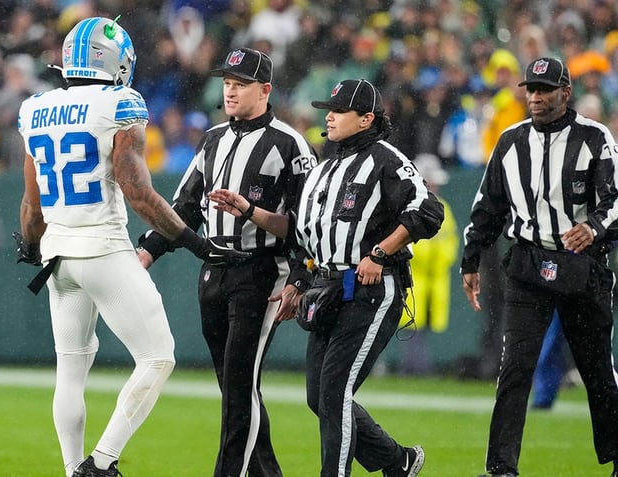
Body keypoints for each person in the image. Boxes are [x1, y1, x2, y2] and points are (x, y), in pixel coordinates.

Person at [14, 17, 249, 477]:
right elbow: (136, 189)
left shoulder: (35, 107)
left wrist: (31, 243)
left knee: (71, 370)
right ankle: (99, 464)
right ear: (116, 61)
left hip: (58, 255)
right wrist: (193, 241)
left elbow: (31, 201)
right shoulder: (120, 102)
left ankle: (71, 469)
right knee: (158, 356)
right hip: (102, 248)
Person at [209, 78, 444, 477]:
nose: (329, 117)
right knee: (319, 396)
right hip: (327, 289)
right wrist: (254, 218)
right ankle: (396, 460)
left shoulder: (386, 159)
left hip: (371, 288)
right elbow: (301, 234)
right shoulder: (323, 169)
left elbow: (427, 211)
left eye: (338, 111)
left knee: (334, 393)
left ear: (366, 118)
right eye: (327, 110)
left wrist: (379, 253)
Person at [136, 46, 318, 477]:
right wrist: (147, 250)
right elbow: (184, 206)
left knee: (238, 386)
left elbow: (307, 223)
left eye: (240, 84)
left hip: (261, 272)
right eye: (227, 83)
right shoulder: (214, 138)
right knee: (235, 387)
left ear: (265, 90)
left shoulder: (289, 144)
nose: (230, 91)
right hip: (214, 270)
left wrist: (299, 277)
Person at [460, 57, 618, 477]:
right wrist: (471, 258)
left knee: (598, 372)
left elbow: (616, 201)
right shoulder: (510, 141)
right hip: (528, 264)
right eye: (531, 89)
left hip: (582, 267)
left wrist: (595, 228)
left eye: (545, 89)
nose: (536, 96)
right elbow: (487, 206)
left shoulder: (594, 137)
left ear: (566, 92)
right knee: (514, 370)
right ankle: (500, 468)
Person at [398, 154, 459, 376]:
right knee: (412, 328)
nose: (434, 185)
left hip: (434, 280)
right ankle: (417, 369)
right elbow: (412, 247)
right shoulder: (408, 206)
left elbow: (450, 244)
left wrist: (437, 262)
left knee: (420, 328)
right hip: (414, 278)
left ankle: (413, 368)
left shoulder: (444, 208)